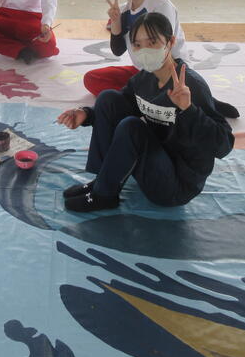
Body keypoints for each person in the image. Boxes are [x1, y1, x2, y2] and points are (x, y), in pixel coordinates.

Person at [57, 12, 235, 212]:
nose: (145, 51)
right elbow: (118, 105)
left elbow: (224, 145)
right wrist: (86, 114)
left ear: (170, 42)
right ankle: (103, 180)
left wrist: (189, 110)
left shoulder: (191, 86)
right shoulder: (144, 79)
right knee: (108, 98)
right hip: (154, 161)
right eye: (138, 45)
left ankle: (104, 195)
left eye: (152, 42)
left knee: (131, 127)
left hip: (176, 185)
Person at [83, 0, 187, 96]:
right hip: (142, 71)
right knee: (92, 79)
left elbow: (164, 50)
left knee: (162, 92)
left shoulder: (161, 5)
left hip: (168, 72)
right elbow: (117, 51)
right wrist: (116, 22)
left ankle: (139, 97)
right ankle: (140, 97)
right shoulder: (124, 10)